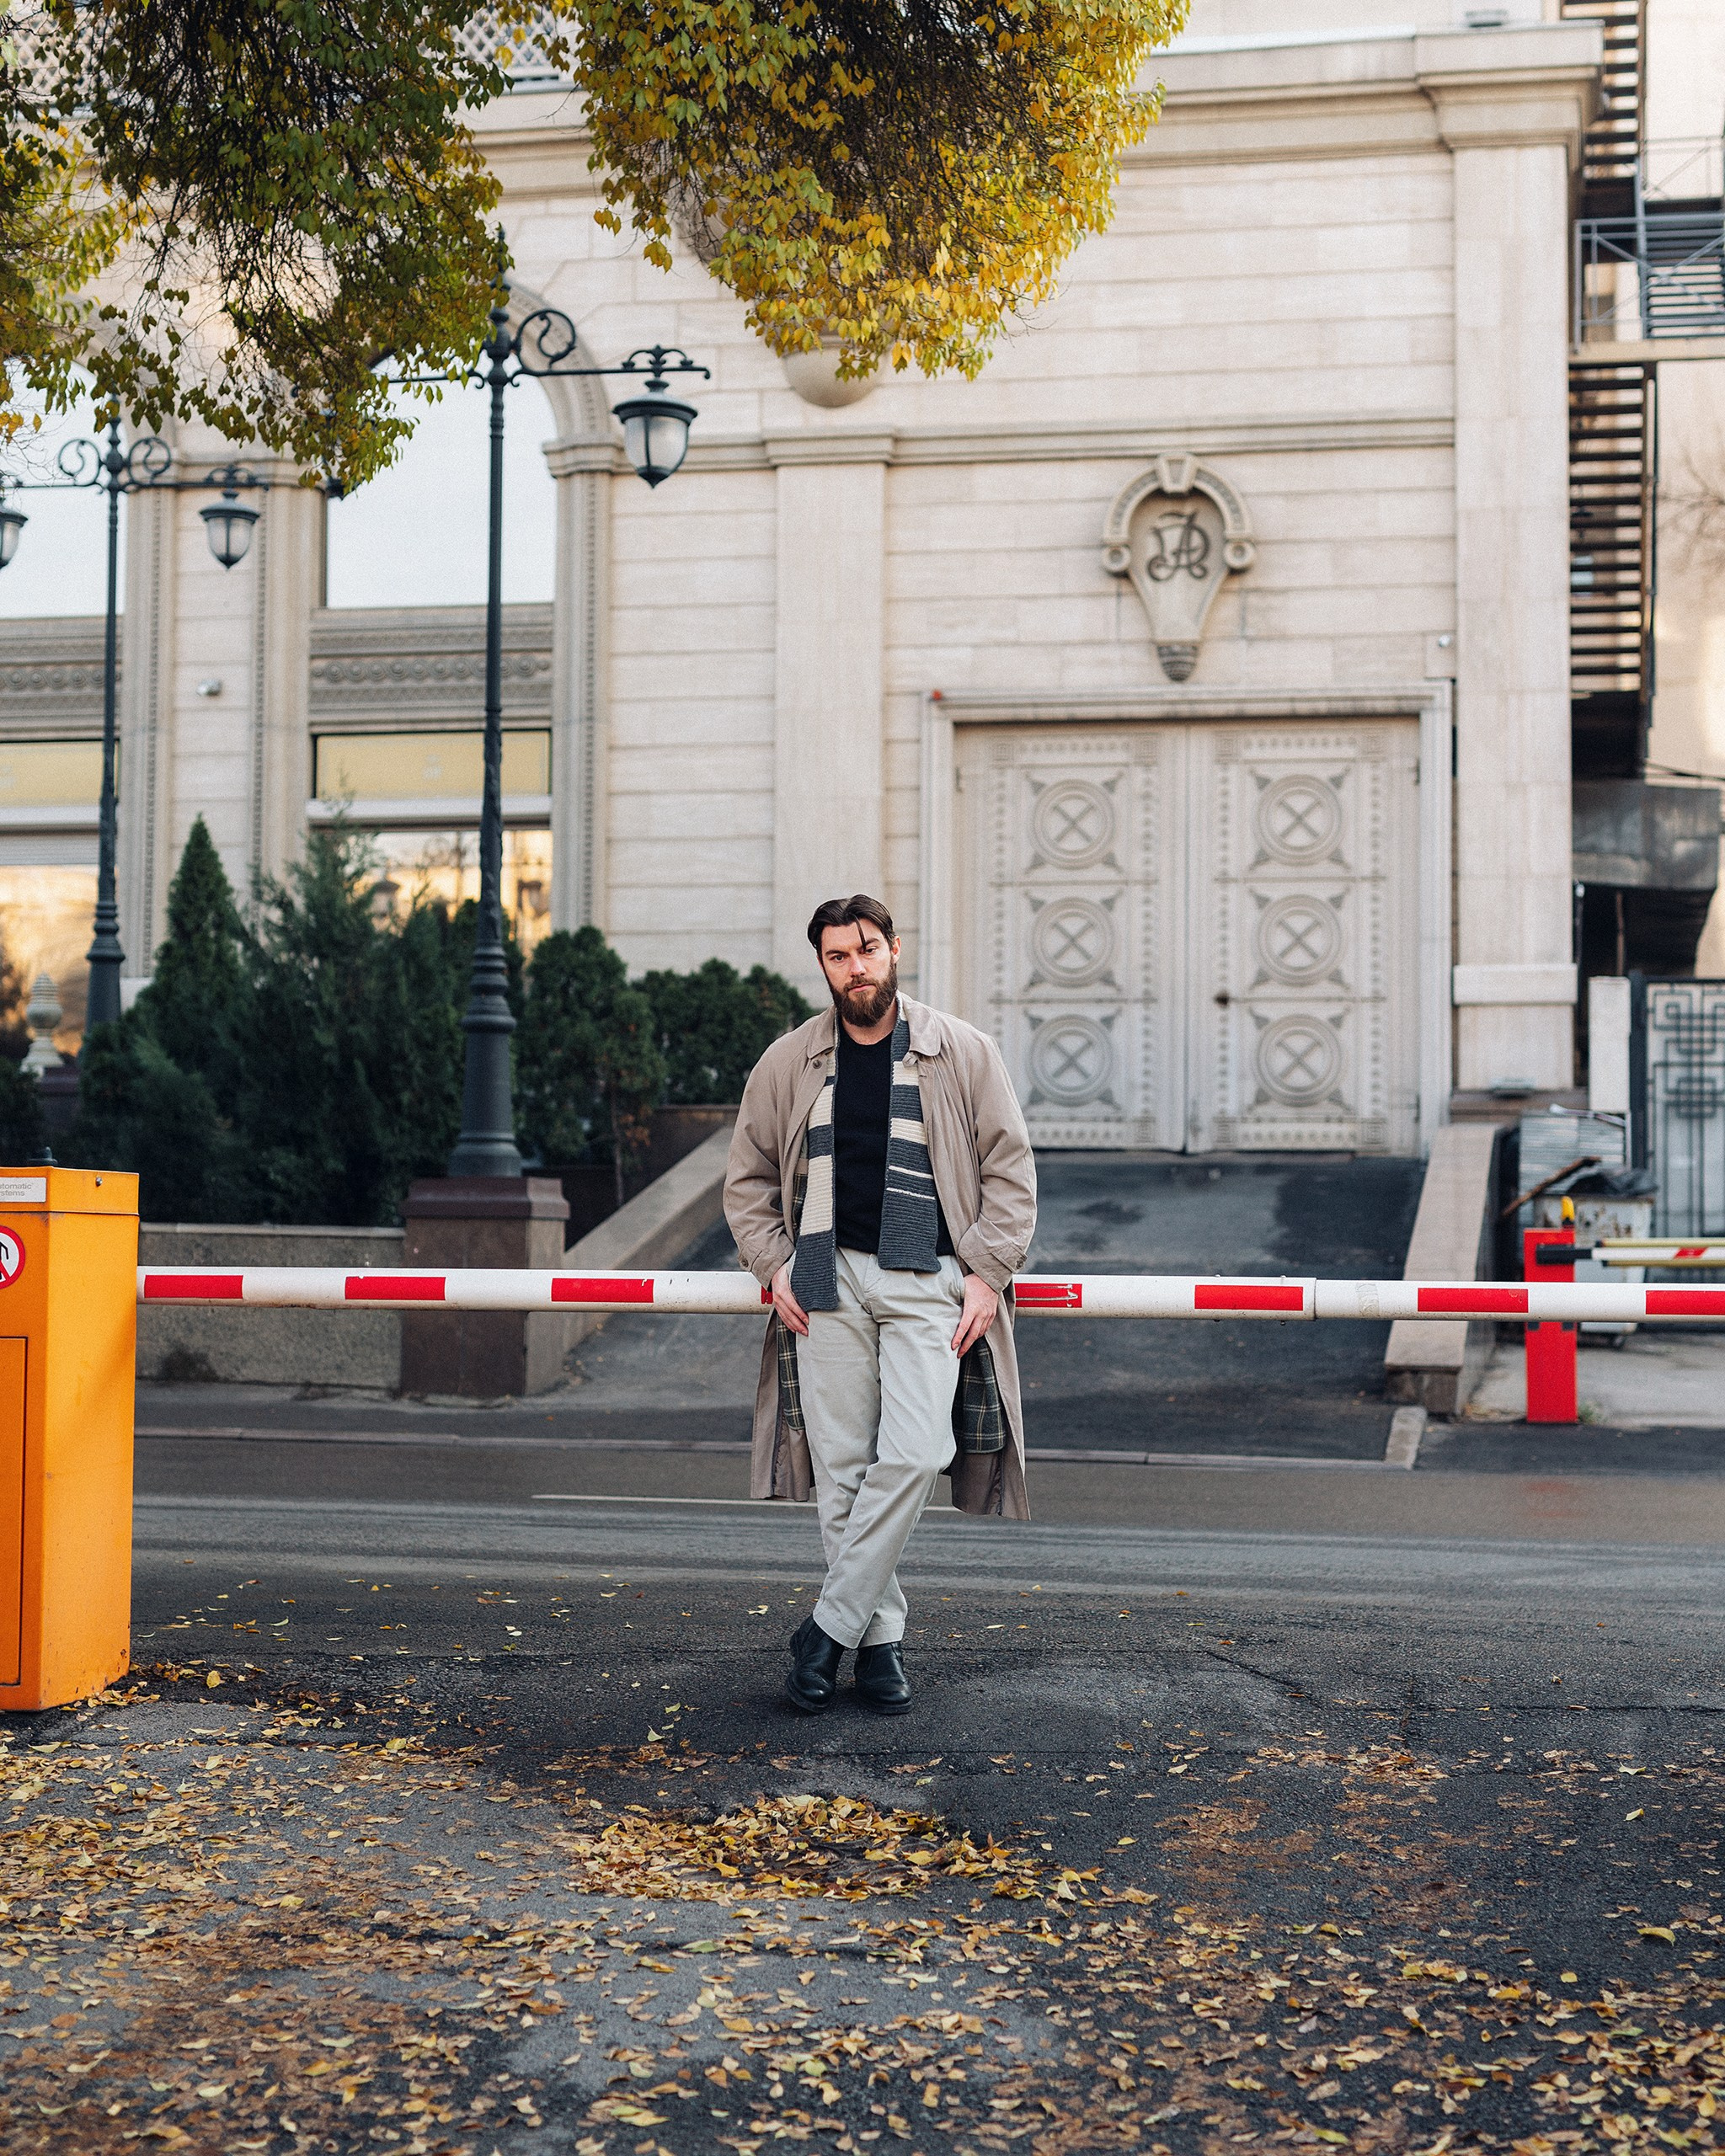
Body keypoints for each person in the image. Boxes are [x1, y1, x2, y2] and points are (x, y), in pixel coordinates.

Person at [724, 894, 1037, 1715]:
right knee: (842, 1472)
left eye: (865, 949)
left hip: (926, 1279)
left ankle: (825, 1629)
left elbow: (1008, 1172)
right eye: (836, 955)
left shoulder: (958, 1051)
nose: (853, 966)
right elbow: (747, 1179)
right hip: (825, 1280)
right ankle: (881, 1640)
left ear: (893, 949)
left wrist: (985, 1272)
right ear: (822, 966)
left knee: (913, 1451)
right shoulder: (790, 1061)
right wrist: (773, 1263)